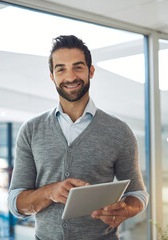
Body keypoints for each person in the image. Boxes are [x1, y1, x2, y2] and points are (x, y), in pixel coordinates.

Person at [8, 35, 149, 240]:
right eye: (61, 69)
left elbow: (138, 194)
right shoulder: (31, 130)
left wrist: (126, 209)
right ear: (52, 76)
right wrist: (50, 192)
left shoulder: (119, 131)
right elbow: (16, 203)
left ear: (91, 71)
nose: (70, 76)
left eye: (78, 67)